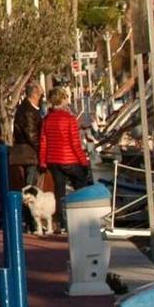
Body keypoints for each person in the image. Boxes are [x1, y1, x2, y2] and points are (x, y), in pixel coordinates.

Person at [38, 86, 91, 231]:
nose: (68, 99)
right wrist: (84, 162)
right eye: (66, 97)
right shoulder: (69, 119)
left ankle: (60, 221)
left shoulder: (46, 119)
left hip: (53, 160)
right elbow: (75, 144)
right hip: (69, 159)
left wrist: (42, 161)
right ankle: (81, 218)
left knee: (59, 190)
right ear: (62, 99)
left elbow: (43, 142)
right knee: (80, 185)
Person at [12, 83, 43, 187]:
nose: (41, 98)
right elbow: (32, 135)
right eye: (41, 95)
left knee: (30, 181)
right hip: (30, 152)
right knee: (30, 185)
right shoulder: (28, 111)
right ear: (34, 95)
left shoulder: (27, 108)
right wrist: (41, 149)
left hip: (27, 150)